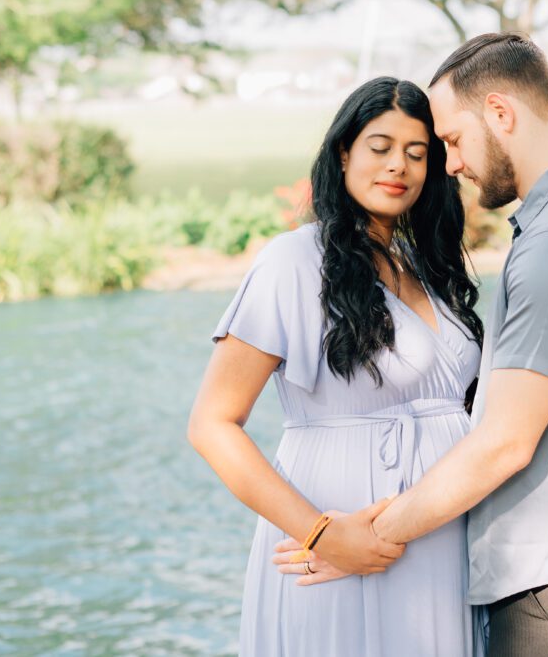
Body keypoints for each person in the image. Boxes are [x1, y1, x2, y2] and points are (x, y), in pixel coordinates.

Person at [277, 33, 548, 657]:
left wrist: (366, 537)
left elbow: (505, 442)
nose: (447, 165)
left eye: (450, 141)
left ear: (501, 115)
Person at [188, 76, 487, 656]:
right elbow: (212, 424)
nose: (397, 165)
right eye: (380, 147)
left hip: (438, 537)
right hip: (337, 540)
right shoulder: (294, 261)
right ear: (344, 152)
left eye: (417, 153)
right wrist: (322, 533)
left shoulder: (427, 267)